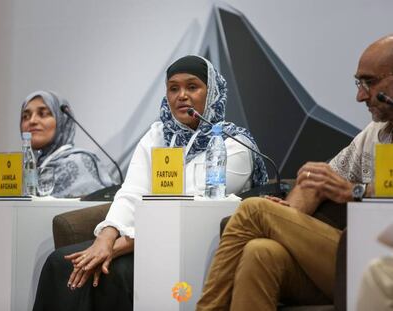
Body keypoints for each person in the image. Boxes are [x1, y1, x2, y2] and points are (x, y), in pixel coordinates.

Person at [32, 55, 268, 310]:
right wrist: (104, 238)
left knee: (113, 271)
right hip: (142, 240)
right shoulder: (157, 135)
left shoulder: (235, 145)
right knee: (59, 262)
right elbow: (133, 191)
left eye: (192, 87)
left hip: (192, 246)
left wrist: (115, 248)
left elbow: (187, 209)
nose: (182, 96)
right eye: (173, 88)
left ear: (212, 93)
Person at [196, 34, 393, 310]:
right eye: (359, 83)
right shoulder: (373, 134)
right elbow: (316, 180)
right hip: (354, 253)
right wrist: (288, 214)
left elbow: (357, 192)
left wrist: (357, 192)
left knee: (253, 211)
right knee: (260, 252)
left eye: (369, 82)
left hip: (383, 260)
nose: (360, 96)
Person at [20, 90, 114, 198]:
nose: (32, 121)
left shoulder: (79, 162)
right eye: (25, 116)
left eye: (43, 114)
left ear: (62, 120)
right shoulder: (23, 169)